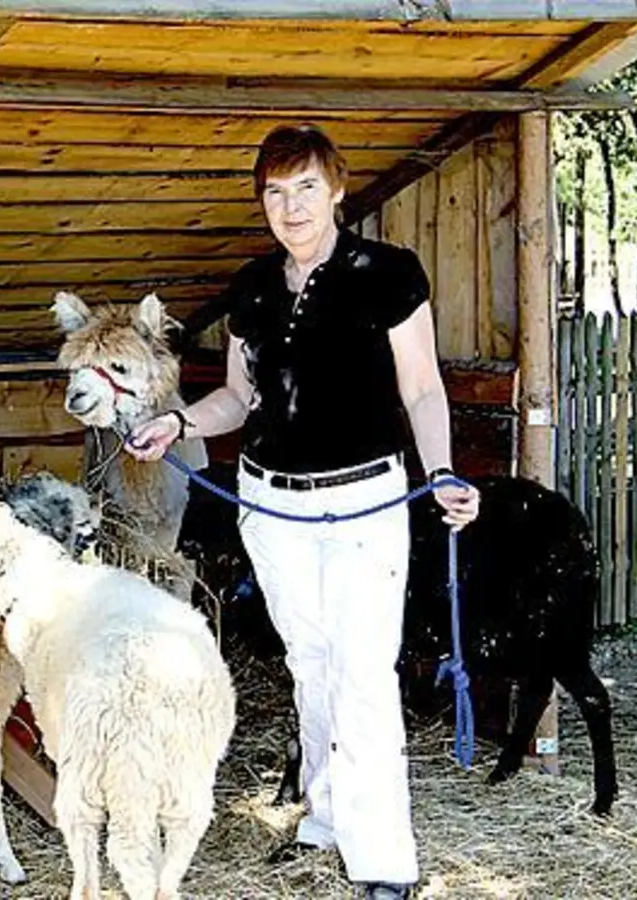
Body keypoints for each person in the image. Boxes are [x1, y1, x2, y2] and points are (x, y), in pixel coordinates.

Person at [126, 125, 481, 900]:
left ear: (338, 190)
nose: (291, 206)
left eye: (306, 188)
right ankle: (324, 816)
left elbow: (421, 387)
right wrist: (180, 422)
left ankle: (384, 859)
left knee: (362, 674)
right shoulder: (253, 286)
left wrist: (444, 471)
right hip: (270, 502)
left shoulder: (388, 273)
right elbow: (238, 397)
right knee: (309, 666)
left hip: (365, 501)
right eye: (276, 192)